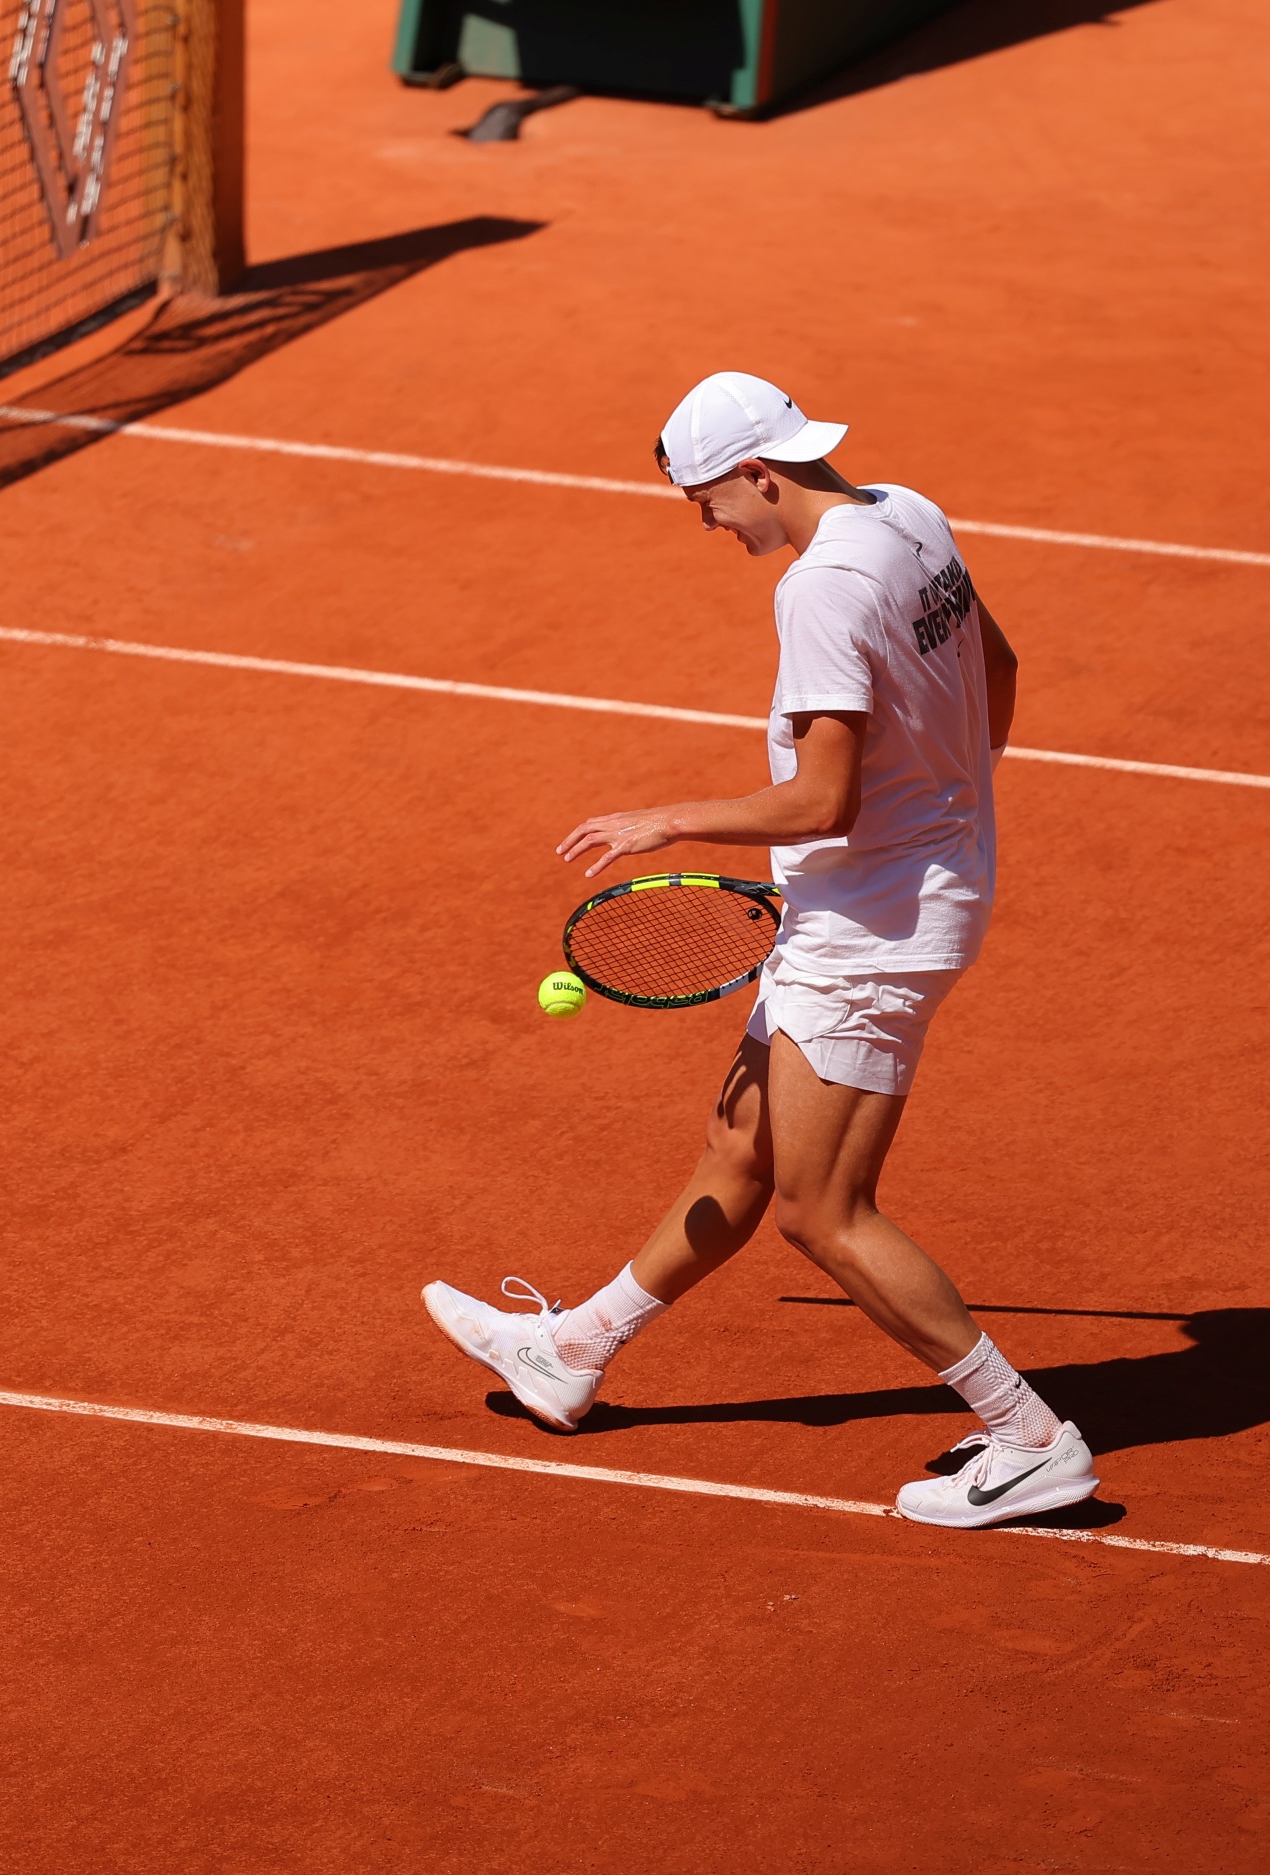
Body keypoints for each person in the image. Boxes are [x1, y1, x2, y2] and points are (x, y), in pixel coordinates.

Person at [423, 371, 1097, 1528]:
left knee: (822, 1211)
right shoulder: (909, 512)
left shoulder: (819, 587)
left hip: (874, 925)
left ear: (758, 474)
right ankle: (571, 1351)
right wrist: (939, 818)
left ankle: (1028, 1435)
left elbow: (824, 798)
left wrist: (670, 819)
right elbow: (1000, 670)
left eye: (705, 502)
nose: (707, 524)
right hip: (894, 887)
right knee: (742, 1146)